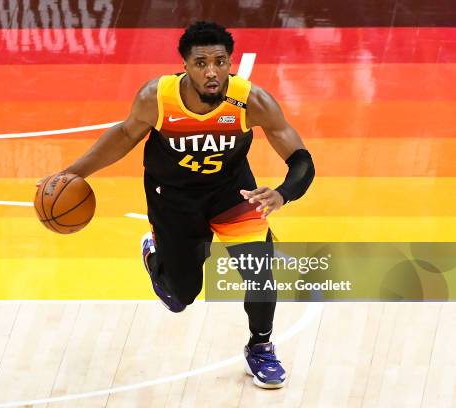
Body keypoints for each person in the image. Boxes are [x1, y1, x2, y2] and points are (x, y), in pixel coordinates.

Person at [42, 21, 315, 389]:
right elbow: (124, 136)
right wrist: (72, 174)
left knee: (259, 273)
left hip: (231, 193)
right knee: (180, 296)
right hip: (173, 197)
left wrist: (282, 193)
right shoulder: (157, 96)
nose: (212, 71)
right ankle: (154, 255)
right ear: (185, 65)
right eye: (201, 63)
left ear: (230, 62)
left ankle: (261, 346)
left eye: (220, 61)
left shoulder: (250, 101)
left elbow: (301, 160)